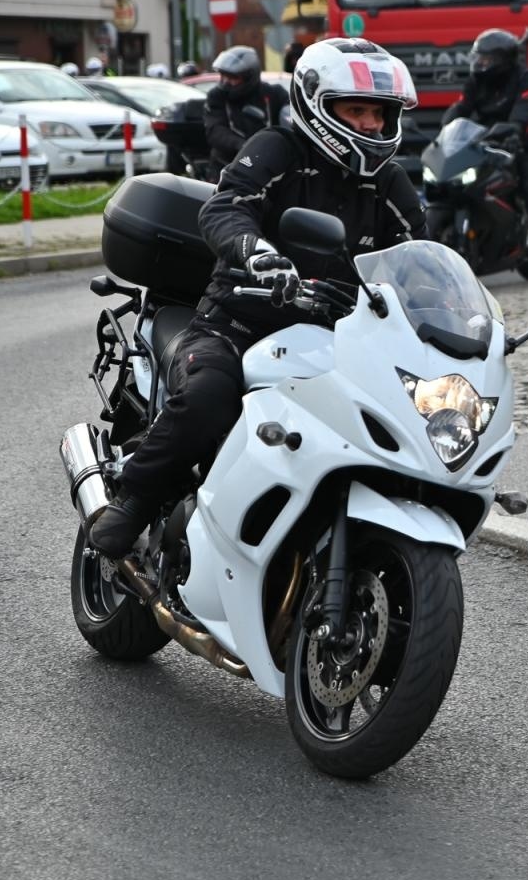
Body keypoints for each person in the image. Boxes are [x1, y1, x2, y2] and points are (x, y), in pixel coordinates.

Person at [89, 38, 425, 558]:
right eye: (356, 110)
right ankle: (133, 498)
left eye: (379, 114)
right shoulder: (278, 149)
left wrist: (454, 315)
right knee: (207, 398)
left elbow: (420, 257)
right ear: (316, 104)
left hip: (337, 341)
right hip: (238, 324)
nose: (371, 125)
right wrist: (257, 253)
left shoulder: (389, 183)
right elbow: (226, 206)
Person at [443, 28, 528, 283]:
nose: (480, 63)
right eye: (478, 58)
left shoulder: (525, 77)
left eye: (486, 59)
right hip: (486, 143)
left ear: (503, 60)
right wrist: (447, 124)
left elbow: (526, 107)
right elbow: (463, 106)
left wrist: (515, 129)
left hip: (524, 145)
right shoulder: (476, 80)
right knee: (456, 185)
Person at [202, 45, 289, 167]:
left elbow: (290, 117)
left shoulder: (274, 94)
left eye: (232, 77)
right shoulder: (217, 96)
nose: (226, 81)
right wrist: (243, 145)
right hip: (228, 164)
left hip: (270, 160)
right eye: (223, 75)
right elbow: (216, 130)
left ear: (249, 76)